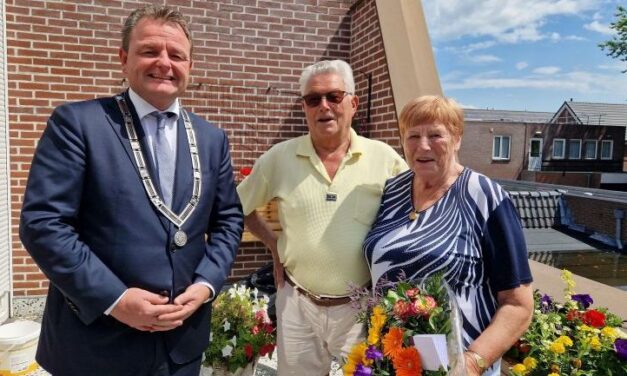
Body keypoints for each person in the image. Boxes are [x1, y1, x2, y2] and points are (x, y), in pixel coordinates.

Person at [19, 5, 243, 376]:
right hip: (97, 346)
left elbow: (229, 220)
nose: (164, 63)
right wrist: (115, 298)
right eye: (150, 51)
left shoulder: (211, 139)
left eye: (177, 55)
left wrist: (206, 284)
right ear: (124, 59)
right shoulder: (78, 124)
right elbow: (44, 224)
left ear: (191, 65)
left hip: (181, 346)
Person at [237, 59, 407, 375]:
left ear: (353, 103)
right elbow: (239, 207)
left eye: (334, 96)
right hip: (298, 304)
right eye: (313, 99)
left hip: (360, 309)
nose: (323, 106)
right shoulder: (279, 158)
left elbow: (416, 215)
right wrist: (275, 247)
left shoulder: (385, 160)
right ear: (304, 107)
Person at [363, 95, 534, 375]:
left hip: (457, 365)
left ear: (457, 139)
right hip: (392, 360)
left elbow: (518, 304)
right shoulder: (391, 191)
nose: (423, 145)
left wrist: (471, 363)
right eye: (413, 135)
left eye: (435, 135)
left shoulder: (485, 196)